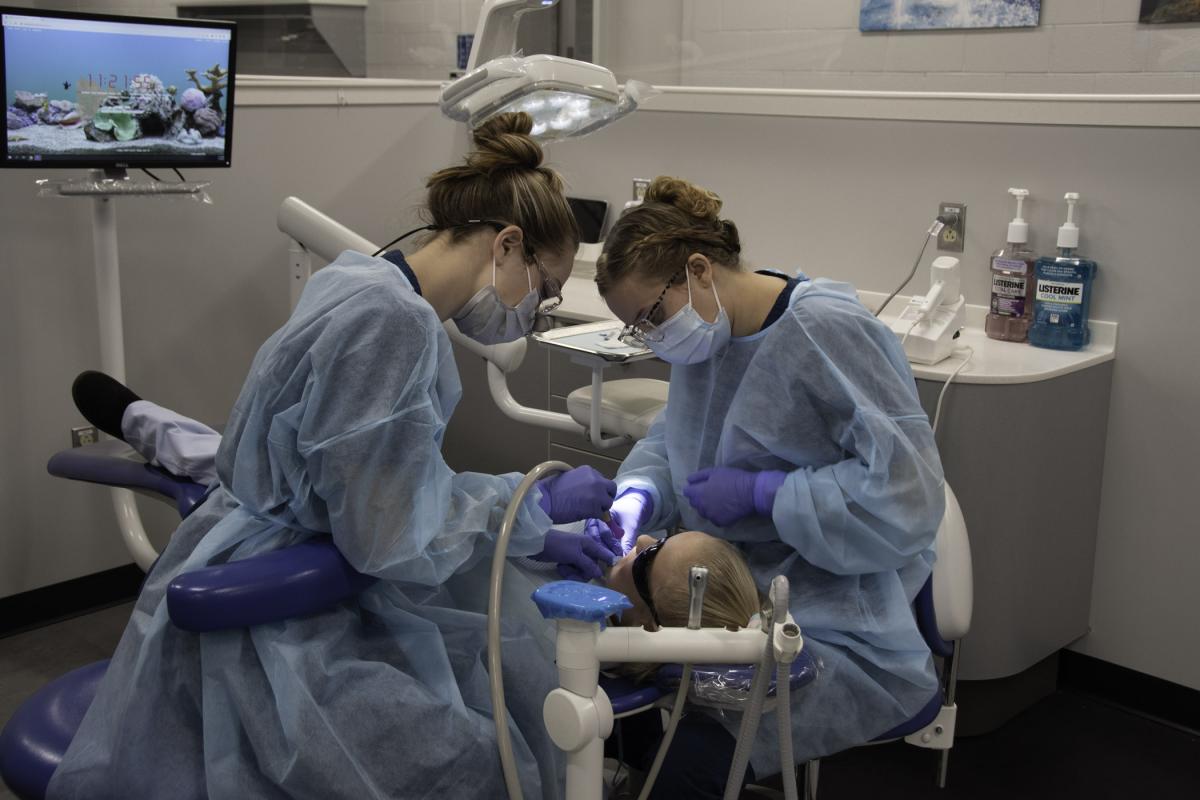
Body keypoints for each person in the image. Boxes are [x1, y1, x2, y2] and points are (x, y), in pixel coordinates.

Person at [48, 113, 621, 800]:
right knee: (475, 756)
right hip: (278, 623)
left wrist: (525, 527)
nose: (534, 311)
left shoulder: (361, 278)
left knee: (495, 658)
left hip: (262, 546)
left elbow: (369, 476)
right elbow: (386, 535)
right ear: (506, 244)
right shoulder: (394, 325)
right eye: (545, 290)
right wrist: (532, 504)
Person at [594, 176, 946, 798]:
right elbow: (670, 441)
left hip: (833, 618)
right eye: (638, 331)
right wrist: (640, 491)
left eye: (650, 317)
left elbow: (907, 496)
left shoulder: (827, 332)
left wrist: (769, 497)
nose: (652, 338)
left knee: (692, 761)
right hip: (726, 596)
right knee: (616, 719)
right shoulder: (708, 340)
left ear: (698, 269)